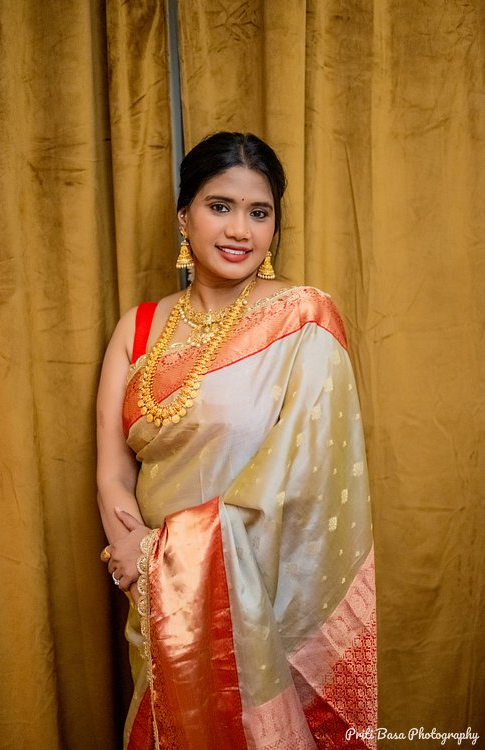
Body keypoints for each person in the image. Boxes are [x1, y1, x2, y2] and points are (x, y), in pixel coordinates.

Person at [96, 132, 376, 750]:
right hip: (156, 600)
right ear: (184, 216)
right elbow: (113, 472)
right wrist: (142, 567)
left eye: (259, 212)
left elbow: (306, 483)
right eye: (220, 206)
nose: (239, 230)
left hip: (264, 599)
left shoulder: (302, 319)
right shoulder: (138, 328)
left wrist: (160, 552)